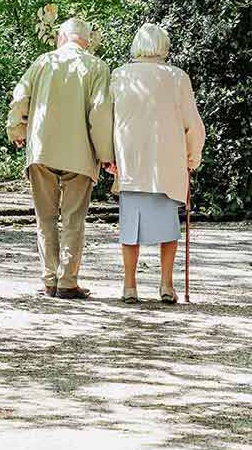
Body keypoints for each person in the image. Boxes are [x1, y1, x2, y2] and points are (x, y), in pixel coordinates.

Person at [7, 17, 114, 299]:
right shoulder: (97, 67)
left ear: (61, 38)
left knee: (45, 217)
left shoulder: (43, 62)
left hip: (42, 150)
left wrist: (16, 128)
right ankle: (67, 282)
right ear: (87, 41)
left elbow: (20, 97)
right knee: (73, 219)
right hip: (80, 154)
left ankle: (49, 279)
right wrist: (106, 155)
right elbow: (101, 113)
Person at [108, 23, 205, 304]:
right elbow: (192, 124)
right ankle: (166, 284)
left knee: (130, 228)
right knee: (168, 228)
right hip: (167, 163)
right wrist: (192, 157)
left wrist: (109, 156)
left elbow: (108, 120)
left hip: (131, 162)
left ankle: (129, 286)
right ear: (164, 46)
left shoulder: (120, 76)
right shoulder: (177, 78)